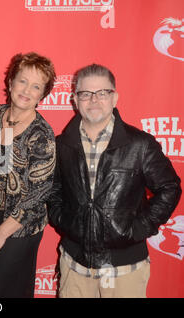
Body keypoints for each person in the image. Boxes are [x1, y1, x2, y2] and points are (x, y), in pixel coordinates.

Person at [48, 63, 182, 298]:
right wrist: (63, 219)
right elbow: (54, 189)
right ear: (74, 99)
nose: (94, 100)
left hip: (124, 269)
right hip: (74, 264)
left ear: (115, 97)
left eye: (103, 93)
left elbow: (169, 187)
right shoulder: (62, 145)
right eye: (86, 94)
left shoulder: (140, 145)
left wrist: (139, 227)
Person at [0, 52, 56, 298]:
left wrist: (1, 233)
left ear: (42, 95)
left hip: (18, 226)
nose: (27, 90)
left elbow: (37, 195)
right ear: (10, 82)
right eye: (22, 81)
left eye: (36, 86)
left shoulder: (41, 135)